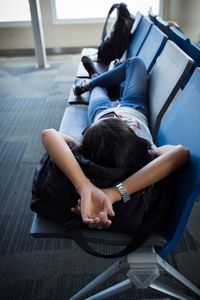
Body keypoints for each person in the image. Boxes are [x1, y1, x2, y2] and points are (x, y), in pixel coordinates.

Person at [41, 57, 189, 230]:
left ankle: (93, 80)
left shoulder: (89, 150)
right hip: (134, 108)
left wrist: (84, 185)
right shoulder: (147, 153)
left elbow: (49, 134)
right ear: (136, 140)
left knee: (97, 88)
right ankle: (99, 79)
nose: (117, 117)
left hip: (99, 113)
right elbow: (181, 153)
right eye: (121, 123)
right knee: (136, 63)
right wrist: (115, 193)